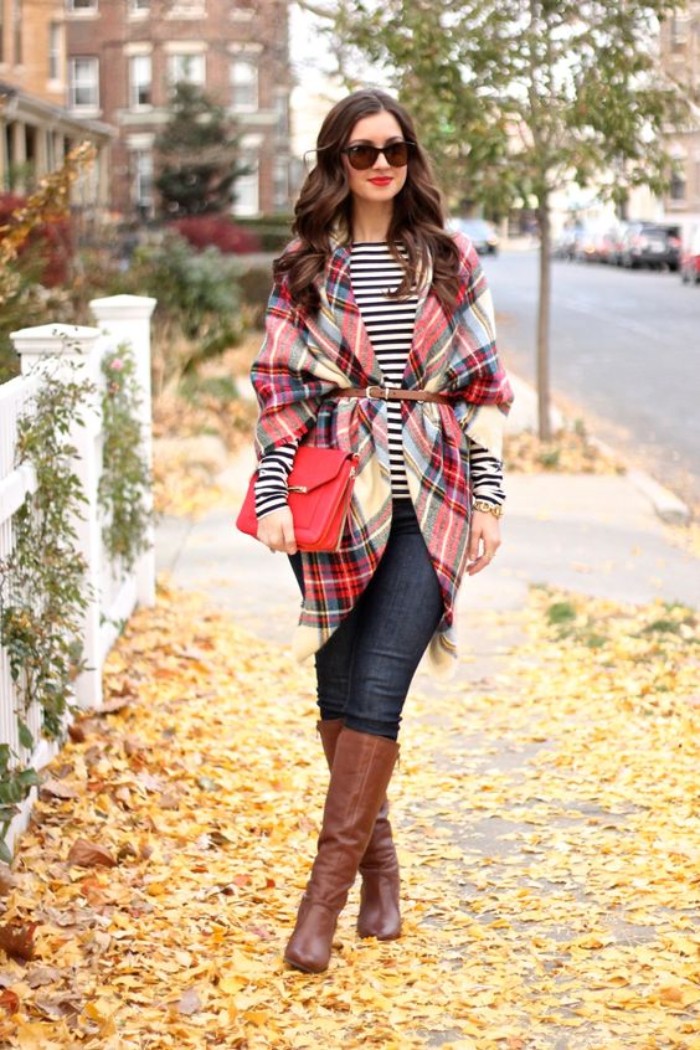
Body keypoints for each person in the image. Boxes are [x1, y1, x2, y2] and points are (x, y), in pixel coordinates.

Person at [249, 88, 513, 974]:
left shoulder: (448, 259)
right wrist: (275, 494)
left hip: (429, 506)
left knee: (379, 693)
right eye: (362, 152)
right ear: (337, 162)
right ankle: (382, 875)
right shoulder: (306, 268)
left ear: (410, 157)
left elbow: (483, 393)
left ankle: (317, 904)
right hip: (333, 505)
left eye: (394, 149)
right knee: (339, 695)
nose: (381, 166)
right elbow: (280, 394)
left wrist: (490, 498)